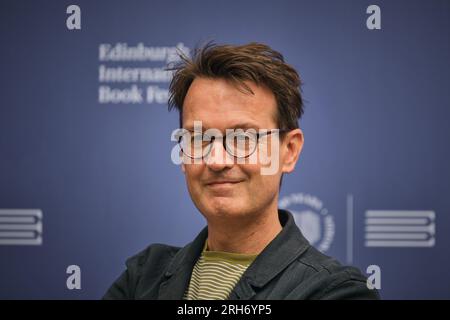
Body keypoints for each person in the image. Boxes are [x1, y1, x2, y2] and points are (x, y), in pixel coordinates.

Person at [103, 42, 379, 300]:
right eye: (199, 138)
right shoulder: (143, 276)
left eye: (243, 138)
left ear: (289, 151)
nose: (218, 159)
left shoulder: (334, 291)